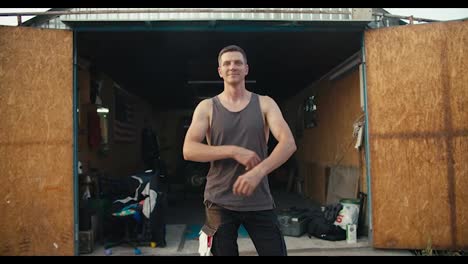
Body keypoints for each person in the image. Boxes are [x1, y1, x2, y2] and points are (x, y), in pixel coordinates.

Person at [183, 45, 296, 256]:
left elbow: (288, 143)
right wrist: (234, 151)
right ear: (220, 71)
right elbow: (189, 150)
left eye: (237, 62)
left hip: (259, 199)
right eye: (227, 63)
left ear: (246, 69)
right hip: (219, 201)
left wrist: (258, 172)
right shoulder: (207, 107)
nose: (232, 67)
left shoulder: (265, 103)